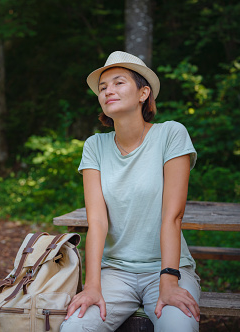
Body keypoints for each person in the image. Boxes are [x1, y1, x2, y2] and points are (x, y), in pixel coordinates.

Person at [60, 51, 200, 332]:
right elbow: (97, 222)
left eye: (119, 82)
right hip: (114, 274)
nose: (108, 90)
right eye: (103, 87)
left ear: (143, 93)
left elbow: (173, 216)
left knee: (178, 329)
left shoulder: (170, 134)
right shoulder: (94, 146)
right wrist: (92, 285)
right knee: (74, 328)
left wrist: (169, 280)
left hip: (167, 269)